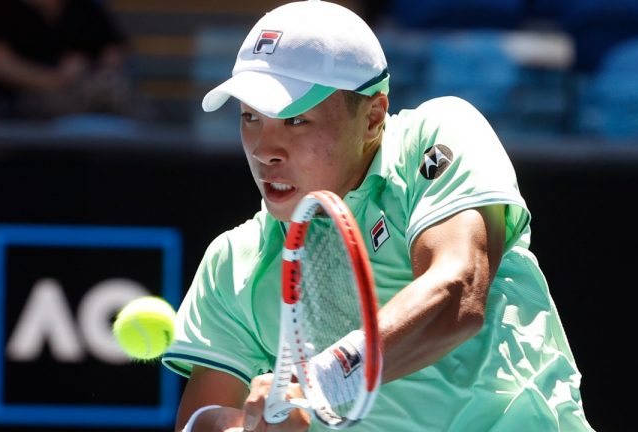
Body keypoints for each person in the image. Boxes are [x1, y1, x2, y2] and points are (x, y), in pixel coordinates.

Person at [161, 1, 594, 431]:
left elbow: (458, 293)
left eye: (296, 121)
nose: (263, 149)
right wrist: (254, 427)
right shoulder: (232, 263)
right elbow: (202, 419)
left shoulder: (437, 136)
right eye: (250, 117)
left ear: (372, 116)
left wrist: (319, 380)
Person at [0, 0, 137, 120]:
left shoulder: (82, 7)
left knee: (112, 86)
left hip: (85, 90)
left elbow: (113, 52)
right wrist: (56, 78)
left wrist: (87, 67)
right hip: (28, 97)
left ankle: (148, 144)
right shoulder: (8, 8)